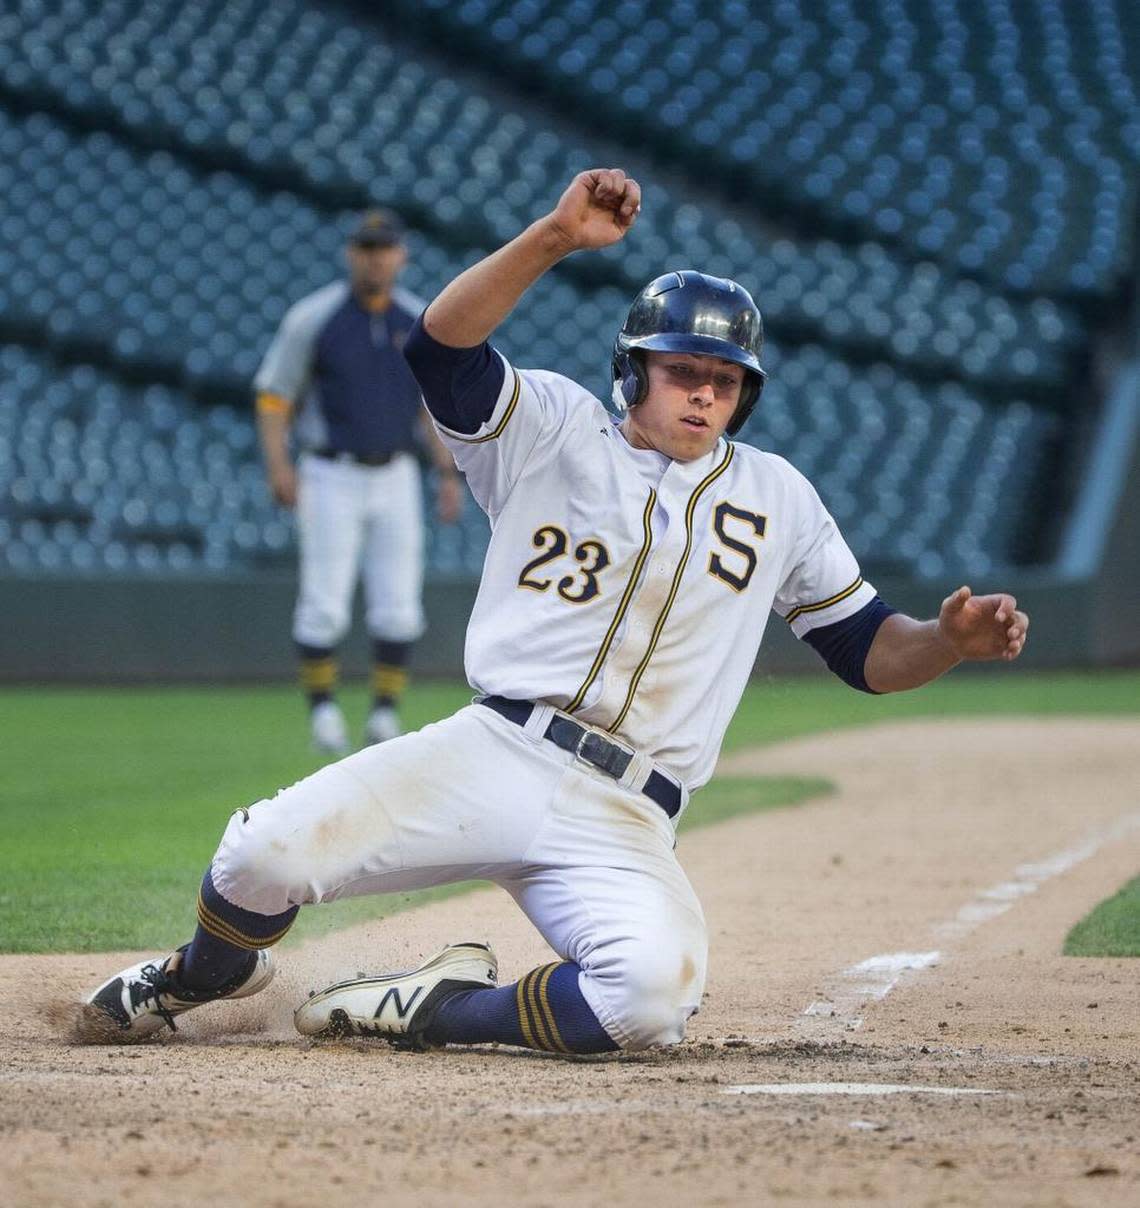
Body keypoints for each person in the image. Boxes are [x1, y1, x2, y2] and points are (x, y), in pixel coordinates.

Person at [82, 169, 1029, 1055]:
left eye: (726, 378)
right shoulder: (549, 426)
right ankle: (197, 978)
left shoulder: (780, 498)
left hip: (626, 814)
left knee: (652, 999)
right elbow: (439, 346)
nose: (704, 389)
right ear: (633, 371)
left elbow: (868, 652)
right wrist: (552, 238)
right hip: (494, 753)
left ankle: (431, 1007)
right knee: (262, 853)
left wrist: (946, 641)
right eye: (682, 367)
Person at [254, 208, 462, 754]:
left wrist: (446, 473)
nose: (376, 256)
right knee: (324, 602)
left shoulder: (419, 319)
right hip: (330, 471)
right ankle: (323, 712)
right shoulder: (315, 317)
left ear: (402, 255)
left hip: (396, 472)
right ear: (351, 254)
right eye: (366, 247)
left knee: (398, 602)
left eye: (385, 247)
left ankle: (384, 715)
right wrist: (279, 464)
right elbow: (275, 395)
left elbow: (430, 408)